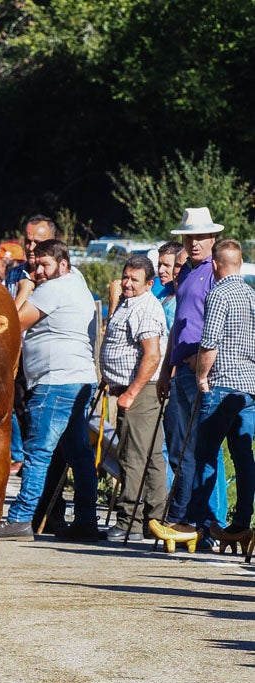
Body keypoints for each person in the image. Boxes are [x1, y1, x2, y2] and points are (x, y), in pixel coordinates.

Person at [0, 239, 101, 541]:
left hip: (55, 382)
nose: (39, 271)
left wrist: (24, 292)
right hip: (79, 379)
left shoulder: (50, 290)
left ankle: (20, 518)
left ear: (63, 265)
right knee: (79, 454)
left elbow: (12, 324)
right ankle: (85, 520)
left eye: (45, 265)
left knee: (38, 453)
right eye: (36, 264)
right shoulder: (76, 281)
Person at [150, 207, 229, 545]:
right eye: (189, 237)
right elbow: (179, 325)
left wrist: (206, 365)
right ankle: (190, 520)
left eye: (200, 237)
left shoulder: (215, 271)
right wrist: (168, 365)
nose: (194, 243)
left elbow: (224, 319)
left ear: (213, 238)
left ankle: (209, 523)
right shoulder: (189, 274)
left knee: (204, 449)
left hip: (203, 370)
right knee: (184, 449)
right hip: (181, 368)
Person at [185, 239, 255, 550]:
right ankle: (242, 520)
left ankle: (198, 520)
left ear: (215, 265)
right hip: (250, 387)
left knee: (205, 454)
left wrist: (201, 376)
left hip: (222, 383)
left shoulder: (219, 293)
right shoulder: (252, 296)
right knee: (243, 455)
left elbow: (210, 341)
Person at [99, 255, 169, 540]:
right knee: (150, 455)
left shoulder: (146, 308)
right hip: (132, 389)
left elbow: (152, 356)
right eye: (125, 276)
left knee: (133, 456)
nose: (126, 282)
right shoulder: (130, 302)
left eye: (134, 279)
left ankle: (129, 520)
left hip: (141, 391)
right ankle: (154, 520)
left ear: (149, 284)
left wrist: (130, 393)